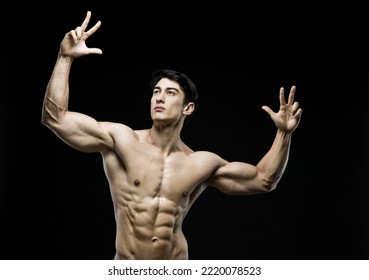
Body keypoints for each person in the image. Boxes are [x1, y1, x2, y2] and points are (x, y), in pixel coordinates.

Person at [41, 11, 303, 260]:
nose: (159, 97)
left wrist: (283, 133)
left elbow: (265, 179)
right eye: (156, 91)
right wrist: (65, 58)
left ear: (188, 108)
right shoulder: (120, 140)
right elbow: (55, 118)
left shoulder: (200, 163)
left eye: (170, 93)